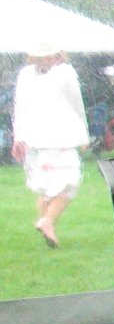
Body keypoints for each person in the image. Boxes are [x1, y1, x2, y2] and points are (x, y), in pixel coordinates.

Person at [11, 40, 90, 248]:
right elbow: (77, 104)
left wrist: (18, 137)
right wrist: (84, 135)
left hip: (35, 138)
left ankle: (49, 228)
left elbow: (19, 108)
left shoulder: (26, 74)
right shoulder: (65, 72)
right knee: (69, 182)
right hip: (60, 137)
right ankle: (47, 222)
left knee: (46, 188)